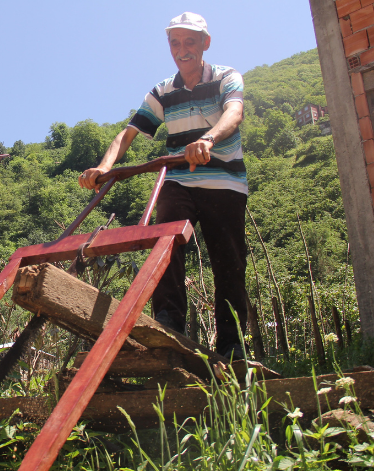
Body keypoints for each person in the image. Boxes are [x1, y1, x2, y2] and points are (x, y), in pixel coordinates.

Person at [78, 12, 248, 360]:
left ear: (205, 43)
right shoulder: (162, 91)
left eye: (189, 41)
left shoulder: (225, 78)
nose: (182, 49)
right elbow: (128, 132)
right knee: (166, 241)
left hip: (224, 181)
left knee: (228, 262)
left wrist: (209, 139)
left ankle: (232, 346)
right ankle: (168, 322)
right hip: (179, 178)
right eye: (175, 42)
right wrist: (104, 167)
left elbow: (234, 113)